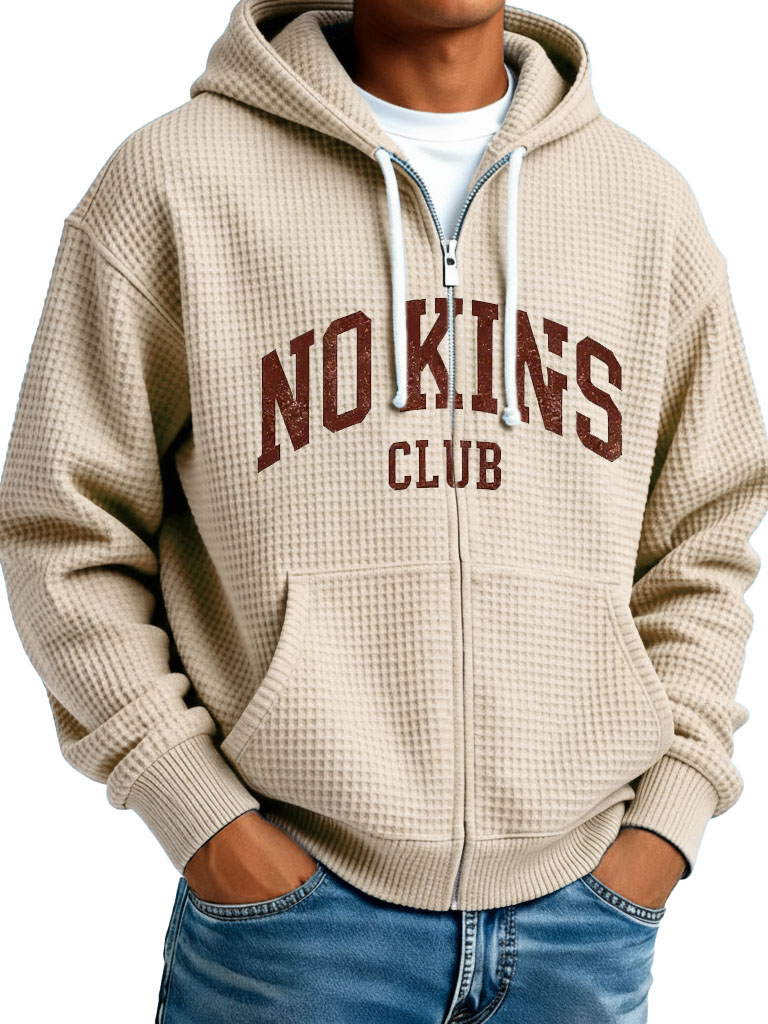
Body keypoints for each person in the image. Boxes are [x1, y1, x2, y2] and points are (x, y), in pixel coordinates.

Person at [0, 1, 766, 1021]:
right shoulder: (175, 183)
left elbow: (704, 540)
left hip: (585, 923)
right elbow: (64, 527)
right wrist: (204, 816)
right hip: (292, 930)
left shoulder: (643, 205)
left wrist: (663, 828)